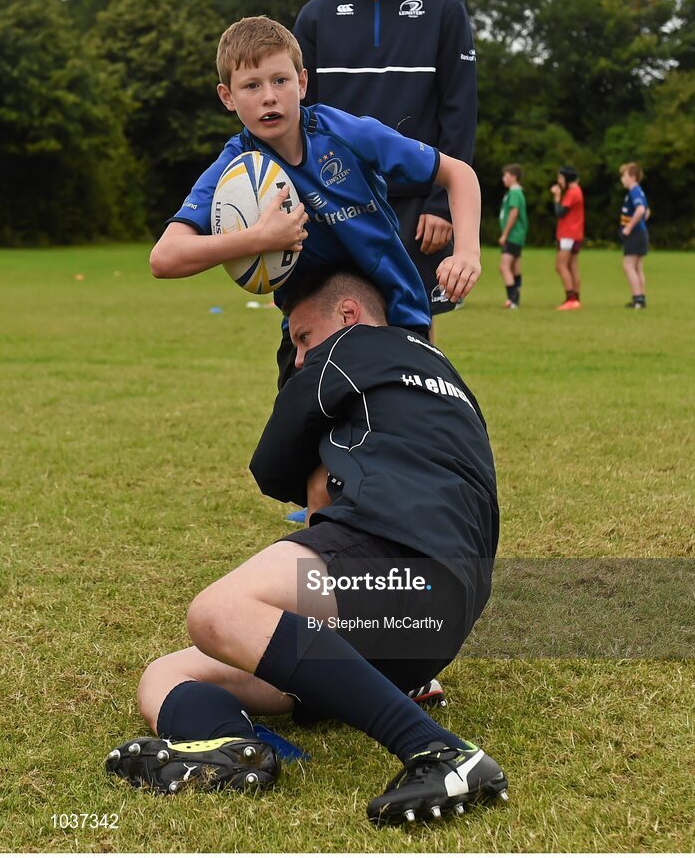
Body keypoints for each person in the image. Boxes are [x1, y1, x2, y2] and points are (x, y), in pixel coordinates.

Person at [105, 268, 508, 827]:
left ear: (347, 316)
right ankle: (233, 750)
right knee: (167, 676)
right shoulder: (445, 376)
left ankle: (439, 751)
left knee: (219, 612)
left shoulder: (350, 348)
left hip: (397, 564)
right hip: (429, 620)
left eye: (301, 337)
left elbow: (271, 466)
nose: (299, 358)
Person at [150, 15, 482, 389]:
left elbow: (459, 175)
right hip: (309, 335)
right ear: (227, 97)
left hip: (396, 319)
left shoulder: (345, 133)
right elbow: (164, 258)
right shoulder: (234, 166)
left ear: (302, 82)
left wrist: (467, 252)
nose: (269, 96)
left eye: (280, 80)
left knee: (410, 439)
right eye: (251, 86)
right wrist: (260, 238)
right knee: (300, 443)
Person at [293, 0, 477, 334]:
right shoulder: (316, 15)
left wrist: (442, 204)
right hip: (336, 198)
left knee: (415, 325)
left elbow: (460, 109)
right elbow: (298, 115)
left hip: (418, 201)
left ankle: (416, 404)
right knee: (333, 319)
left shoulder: (444, 8)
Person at [550, 166, 585, 310]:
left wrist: (556, 197)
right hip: (575, 234)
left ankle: (571, 299)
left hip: (568, 235)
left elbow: (560, 212)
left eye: (560, 178)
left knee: (561, 266)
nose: (558, 181)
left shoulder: (572, 192)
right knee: (572, 266)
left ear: (566, 178)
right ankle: (576, 298)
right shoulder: (577, 190)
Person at [619, 162, 650, 309]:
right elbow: (647, 212)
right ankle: (641, 298)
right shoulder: (639, 191)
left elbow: (641, 210)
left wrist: (629, 227)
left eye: (624, 175)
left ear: (632, 177)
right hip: (641, 233)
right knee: (637, 267)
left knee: (628, 265)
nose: (622, 179)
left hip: (635, 234)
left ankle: (638, 300)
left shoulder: (634, 191)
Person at [497, 164, 528, 308]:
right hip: (518, 236)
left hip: (513, 236)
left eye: (506, 175)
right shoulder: (516, 192)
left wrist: (505, 234)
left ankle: (512, 300)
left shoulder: (515, 193)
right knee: (515, 267)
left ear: (513, 177)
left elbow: (514, 213)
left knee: (504, 267)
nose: (504, 178)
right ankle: (515, 299)